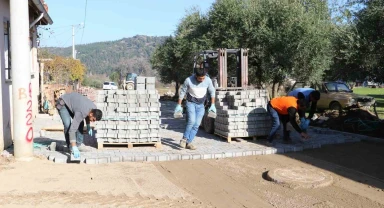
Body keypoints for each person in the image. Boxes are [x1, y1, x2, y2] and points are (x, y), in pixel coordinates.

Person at [174, 68, 216, 150]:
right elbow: (182, 92)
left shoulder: (208, 80)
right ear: (196, 76)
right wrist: (179, 105)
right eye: (200, 78)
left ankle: (189, 142)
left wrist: (213, 105)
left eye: (203, 78)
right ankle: (184, 139)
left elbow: (212, 91)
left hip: (201, 105)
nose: (202, 80)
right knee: (191, 121)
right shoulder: (188, 80)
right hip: (191, 103)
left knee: (196, 124)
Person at [56, 92, 102, 158]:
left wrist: (88, 125)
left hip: (73, 104)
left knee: (81, 123)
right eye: (93, 119)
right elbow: (72, 130)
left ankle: (78, 144)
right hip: (63, 104)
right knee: (68, 126)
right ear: (91, 114)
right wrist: (74, 147)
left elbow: (87, 115)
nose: (93, 121)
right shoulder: (81, 112)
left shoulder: (94, 108)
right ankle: (72, 147)